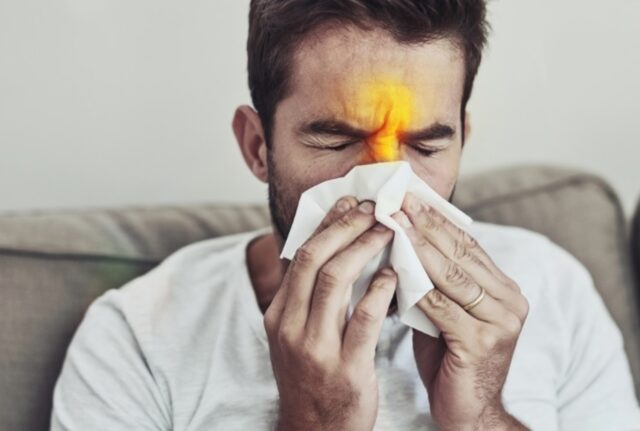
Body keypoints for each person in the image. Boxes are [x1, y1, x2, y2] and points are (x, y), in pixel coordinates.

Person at [51, 1, 640, 430]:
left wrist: (483, 416)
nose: (386, 189)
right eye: (335, 141)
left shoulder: (551, 288)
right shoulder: (137, 336)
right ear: (258, 147)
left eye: (426, 147)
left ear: (464, 137)